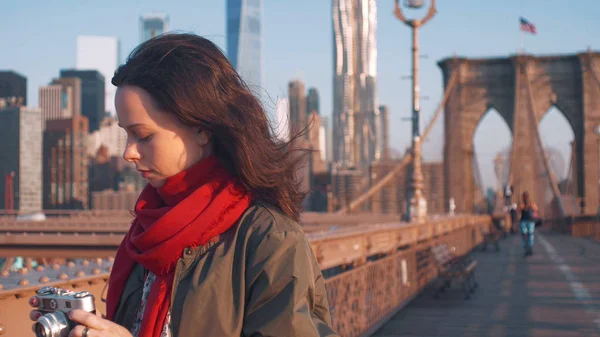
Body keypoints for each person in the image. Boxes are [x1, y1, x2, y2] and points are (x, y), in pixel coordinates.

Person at [29, 33, 338, 337]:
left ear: (202, 129)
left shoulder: (270, 240)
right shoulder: (149, 231)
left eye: (144, 136)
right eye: (126, 134)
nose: (128, 152)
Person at [518, 192, 538, 257]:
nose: (525, 198)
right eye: (524, 197)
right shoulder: (521, 204)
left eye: (526, 196)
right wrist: (522, 207)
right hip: (523, 221)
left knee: (530, 234)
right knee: (524, 235)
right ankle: (526, 248)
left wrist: (531, 207)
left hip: (530, 221)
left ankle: (529, 248)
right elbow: (518, 211)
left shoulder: (532, 203)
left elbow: (536, 210)